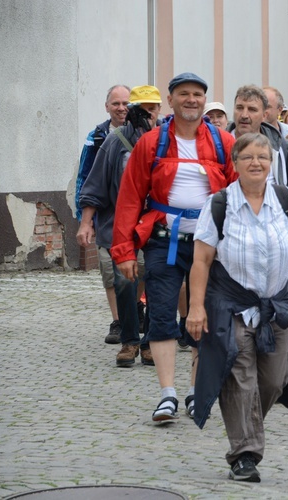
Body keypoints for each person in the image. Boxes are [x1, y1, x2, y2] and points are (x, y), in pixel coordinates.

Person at [187, 133, 288, 483]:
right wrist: (196, 307)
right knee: (240, 377)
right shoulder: (220, 204)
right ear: (235, 164)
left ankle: (244, 423)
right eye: (248, 157)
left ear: (271, 162)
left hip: (276, 305)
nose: (256, 163)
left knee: (275, 380)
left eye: (263, 157)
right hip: (231, 305)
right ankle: (244, 454)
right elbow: (201, 260)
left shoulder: (285, 198)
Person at [111, 72, 237, 422]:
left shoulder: (223, 142)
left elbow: (240, 194)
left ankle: (197, 392)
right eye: (184, 94)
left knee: (204, 317)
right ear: (171, 100)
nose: (191, 100)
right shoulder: (151, 143)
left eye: (198, 94)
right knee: (162, 315)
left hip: (210, 245)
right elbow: (130, 197)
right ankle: (167, 394)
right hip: (163, 240)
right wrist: (123, 251)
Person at [78, 85, 161, 367]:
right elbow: (96, 184)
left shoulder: (168, 140)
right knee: (125, 282)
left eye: (153, 108)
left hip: (158, 223)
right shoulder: (115, 142)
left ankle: (150, 342)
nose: (148, 114)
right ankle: (129, 341)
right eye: (143, 109)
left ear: (160, 109)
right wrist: (86, 222)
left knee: (157, 281)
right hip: (120, 224)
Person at [75, 84, 131, 344]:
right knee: (110, 270)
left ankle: (135, 311)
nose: (121, 108)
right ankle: (119, 320)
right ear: (107, 106)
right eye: (116, 103)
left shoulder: (144, 133)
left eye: (125, 103)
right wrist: (84, 218)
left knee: (139, 268)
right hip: (106, 214)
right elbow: (86, 176)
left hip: (136, 215)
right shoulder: (97, 136)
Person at [232, 85, 288, 242]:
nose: (244, 115)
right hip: (233, 233)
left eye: (252, 109)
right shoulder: (221, 144)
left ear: (264, 114)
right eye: (239, 108)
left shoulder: (279, 144)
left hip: (275, 232)